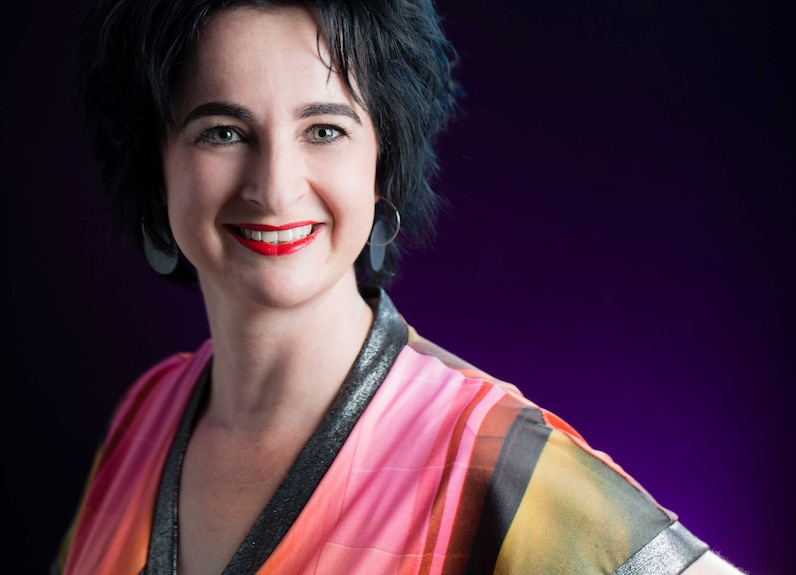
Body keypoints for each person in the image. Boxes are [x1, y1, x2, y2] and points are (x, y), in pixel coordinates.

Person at [54, 0, 747, 573]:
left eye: (324, 129)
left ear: (382, 164)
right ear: (156, 162)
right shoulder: (145, 415)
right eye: (224, 132)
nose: (274, 188)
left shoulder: (484, 461)